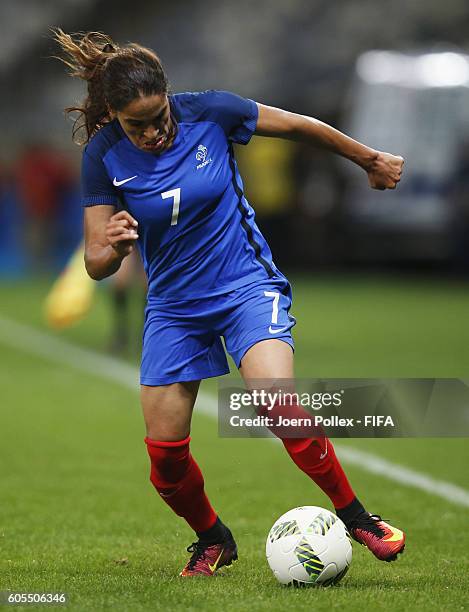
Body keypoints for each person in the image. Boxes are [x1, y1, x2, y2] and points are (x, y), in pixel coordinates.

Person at [54, 29, 405, 577]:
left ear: (169, 96)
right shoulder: (103, 156)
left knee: (276, 401)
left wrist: (368, 158)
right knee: (165, 464)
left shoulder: (212, 113)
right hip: (172, 306)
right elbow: (96, 262)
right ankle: (213, 538)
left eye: (157, 117)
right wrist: (114, 246)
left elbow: (296, 126)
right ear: (115, 117)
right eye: (135, 124)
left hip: (244, 285)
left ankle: (357, 516)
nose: (151, 132)